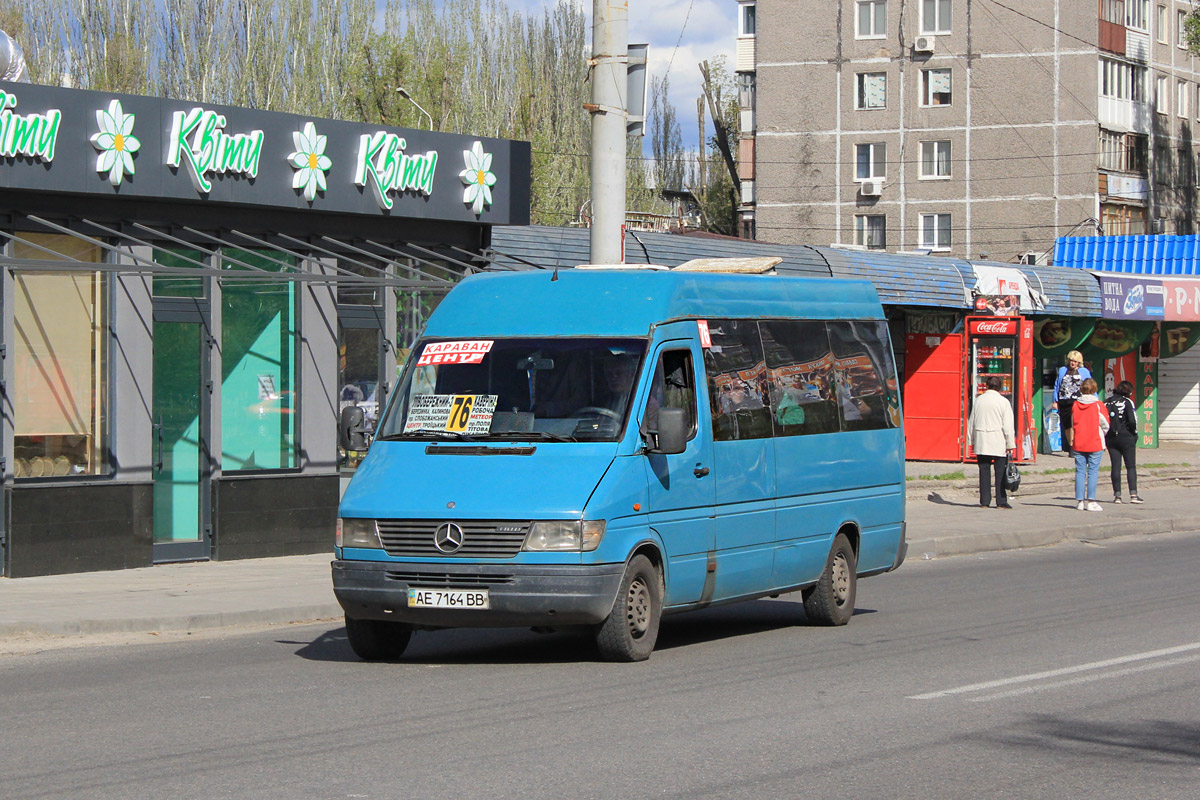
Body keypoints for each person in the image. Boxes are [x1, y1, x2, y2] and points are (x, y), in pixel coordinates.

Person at [967, 376, 1016, 509]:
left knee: (984, 471)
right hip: (998, 440)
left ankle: (984, 501)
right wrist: (1010, 444)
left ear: (987, 386)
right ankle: (1000, 500)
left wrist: (971, 440)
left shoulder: (979, 400)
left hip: (982, 440)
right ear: (999, 387)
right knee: (1000, 472)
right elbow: (1008, 425)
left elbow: (971, 421)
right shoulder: (1003, 402)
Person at [1070, 378, 1110, 512]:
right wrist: (1101, 433)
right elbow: (1105, 424)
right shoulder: (1098, 404)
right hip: (1095, 441)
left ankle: (1080, 501)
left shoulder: (1075, 404)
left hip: (1079, 441)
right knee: (1093, 472)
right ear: (1094, 389)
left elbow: (1072, 422)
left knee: (1080, 472)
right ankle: (1091, 501)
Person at [1105, 380, 1143, 504]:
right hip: (1126, 437)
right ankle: (1133, 495)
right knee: (1130, 466)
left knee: (1115, 466)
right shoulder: (1128, 402)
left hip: (1111, 438)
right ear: (1129, 391)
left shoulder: (1107, 401)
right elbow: (1132, 420)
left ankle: (1117, 496)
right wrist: (1134, 434)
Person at [1052, 351, 1092, 452]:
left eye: (1075, 361)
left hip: (1079, 401)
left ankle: (1077, 444)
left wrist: (1093, 399)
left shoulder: (1084, 371)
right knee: (1067, 425)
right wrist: (1055, 400)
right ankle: (1071, 445)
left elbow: (1090, 385)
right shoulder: (1062, 370)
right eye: (1071, 361)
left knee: (1077, 424)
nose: (1072, 363)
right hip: (1064, 401)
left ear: (1079, 362)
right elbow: (1057, 385)